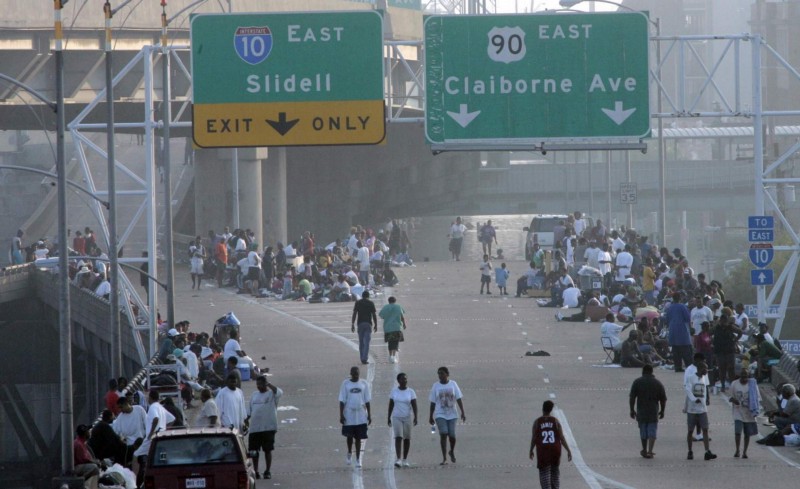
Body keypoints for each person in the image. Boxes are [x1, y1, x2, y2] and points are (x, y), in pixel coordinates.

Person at [133, 390, 176, 487]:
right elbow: (172, 419)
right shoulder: (160, 407)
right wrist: (164, 430)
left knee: (135, 455)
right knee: (161, 458)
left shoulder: (152, 407)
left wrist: (150, 434)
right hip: (161, 437)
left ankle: (133, 482)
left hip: (152, 438)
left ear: (150, 397)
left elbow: (155, 419)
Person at [529, 400, 572, 489]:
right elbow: (562, 437)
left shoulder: (537, 422)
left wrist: (531, 450)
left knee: (545, 476)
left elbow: (534, 438)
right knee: (555, 474)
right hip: (555, 451)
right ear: (551, 410)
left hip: (543, 453)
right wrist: (568, 450)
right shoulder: (555, 421)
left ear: (542, 409)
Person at [247, 375, 283, 480]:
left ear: (265, 384)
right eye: (257, 384)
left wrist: (269, 384)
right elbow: (249, 411)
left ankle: (267, 471)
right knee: (254, 451)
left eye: (261, 384)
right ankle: (256, 471)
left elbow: (279, 392)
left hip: (268, 427)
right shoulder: (254, 395)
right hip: (254, 428)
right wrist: (245, 421)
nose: (258, 386)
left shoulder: (272, 394)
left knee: (267, 450)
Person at [428, 366, 465, 465]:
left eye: (442, 373)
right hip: (440, 413)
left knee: (452, 435)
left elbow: (458, 398)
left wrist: (462, 411)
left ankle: (451, 451)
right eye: (439, 374)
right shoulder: (435, 386)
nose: (440, 376)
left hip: (452, 414)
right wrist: (431, 415)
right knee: (443, 433)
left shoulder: (453, 384)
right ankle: (444, 458)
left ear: (447, 374)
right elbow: (432, 402)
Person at [629, 364, 667, 459]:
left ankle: (644, 449)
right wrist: (662, 411)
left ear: (643, 372)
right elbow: (663, 399)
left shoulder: (637, 382)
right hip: (653, 411)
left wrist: (631, 410)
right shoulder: (657, 383)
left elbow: (632, 397)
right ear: (652, 372)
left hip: (641, 411)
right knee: (652, 431)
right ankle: (650, 450)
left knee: (643, 431)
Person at [339, 366, 371, 468]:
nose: (355, 376)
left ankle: (358, 459)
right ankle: (349, 452)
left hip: (361, 414)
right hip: (349, 413)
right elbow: (342, 400)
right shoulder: (345, 384)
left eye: (357, 373)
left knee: (358, 437)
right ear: (351, 374)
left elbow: (367, 400)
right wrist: (341, 414)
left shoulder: (364, 384)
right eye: (353, 374)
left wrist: (369, 415)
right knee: (349, 436)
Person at [684, 361, 716, 461]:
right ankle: (690, 451)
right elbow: (688, 390)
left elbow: (705, 390)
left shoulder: (703, 378)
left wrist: (706, 401)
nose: (706, 371)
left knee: (705, 429)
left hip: (702, 409)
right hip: (692, 410)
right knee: (690, 431)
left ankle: (707, 451)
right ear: (699, 369)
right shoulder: (691, 378)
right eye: (705, 369)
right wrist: (694, 399)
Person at [728, 369, 760, 458]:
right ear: (740, 376)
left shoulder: (752, 385)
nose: (744, 378)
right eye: (742, 376)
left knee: (747, 434)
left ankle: (744, 452)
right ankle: (737, 450)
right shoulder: (734, 384)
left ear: (748, 376)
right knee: (738, 432)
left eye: (746, 376)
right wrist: (734, 400)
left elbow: (757, 399)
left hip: (749, 412)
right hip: (738, 411)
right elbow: (730, 397)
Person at [388, 372, 418, 468]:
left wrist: (416, 417)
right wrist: (388, 417)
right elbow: (391, 404)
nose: (404, 380)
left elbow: (414, 405)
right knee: (398, 437)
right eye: (402, 379)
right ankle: (398, 459)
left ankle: (405, 459)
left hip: (407, 417)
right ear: (398, 381)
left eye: (406, 379)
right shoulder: (394, 391)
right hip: (397, 417)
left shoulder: (411, 392)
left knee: (407, 438)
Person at [113, 396, 147, 467]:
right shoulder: (120, 418)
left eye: (121, 407)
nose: (120, 410)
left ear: (126, 404)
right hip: (130, 448)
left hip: (142, 444)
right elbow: (116, 432)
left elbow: (147, 424)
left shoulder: (139, 410)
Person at [352, 290, 378, 365]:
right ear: (368, 296)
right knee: (367, 342)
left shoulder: (358, 302)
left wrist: (352, 324)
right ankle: (364, 358)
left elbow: (354, 313)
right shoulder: (371, 303)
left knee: (361, 342)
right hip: (368, 324)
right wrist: (376, 324)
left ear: (362, 296)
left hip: (360, 323)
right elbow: (374, 315)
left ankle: (362, 357)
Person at [379, 296, 406, 363]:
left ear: (389, 301)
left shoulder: (385, 307)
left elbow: (381, 316)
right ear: (395, 301)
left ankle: (390, 356)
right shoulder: (398, 307)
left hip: (388, 328)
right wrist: (404, 324)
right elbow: (402, 317)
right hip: (397, 327)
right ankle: (393, 356)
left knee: (390, 342)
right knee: (396, 342)